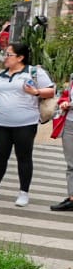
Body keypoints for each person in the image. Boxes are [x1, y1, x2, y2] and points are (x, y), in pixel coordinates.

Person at [0, 40, 56, 206]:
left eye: (9, 55)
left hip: (25, 124)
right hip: (3, 124)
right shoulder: (1, 75)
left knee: (24, 158)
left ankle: (23, 193)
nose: (6, 58)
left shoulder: (34, 73)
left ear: (20, 57)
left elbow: (51, 91)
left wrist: (36, 92)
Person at [52, 75, 73, 211]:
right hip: (70, 124)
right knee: (71, 164)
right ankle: (72, 198)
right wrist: (64, 102)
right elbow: (65, 95)